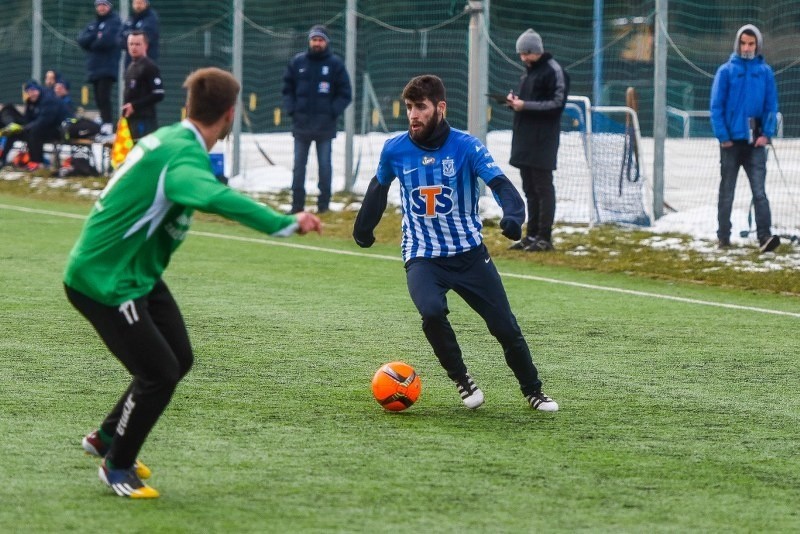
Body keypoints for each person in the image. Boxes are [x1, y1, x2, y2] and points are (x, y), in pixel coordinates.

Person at [64, 67, 322, 499]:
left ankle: (107, 437)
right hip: (104, 281)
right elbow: (216, 197)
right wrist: (284, 222)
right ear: (230, 114)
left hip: (136, 275)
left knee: (178, 358)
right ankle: (117, 466)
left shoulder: (172, 139)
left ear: (188, 107)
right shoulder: (182, 157)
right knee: (159, 373)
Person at [353, 74, 558, 413]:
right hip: (422, 256)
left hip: (469, 255)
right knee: (432, 311)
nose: (413, 115)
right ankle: (462, 379)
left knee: (505, 327)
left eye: (421, 107)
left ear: (441, 107)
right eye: (409, 108)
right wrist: (364, 228)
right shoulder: (395, 149)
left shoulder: (467, 146)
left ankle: (533, 391)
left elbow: (502, 186)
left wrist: (512, 216)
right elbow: (378, 190)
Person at [710, 24, 780, 253]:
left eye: (751, 43)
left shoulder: (765, 72)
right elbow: (716, 106)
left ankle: (765, 238)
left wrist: (766, 134)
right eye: (744, 43)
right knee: (727, 191)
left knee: (759, 192)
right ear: (738, 44)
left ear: (758, 45)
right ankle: (723, 237)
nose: (747, 47)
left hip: (755, 144)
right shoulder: (726, 71)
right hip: (731, 143)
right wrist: (723, 136)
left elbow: (771, 106)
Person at [506, 28, 569, 253]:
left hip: (543, 140)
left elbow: (557, 104)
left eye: (526, 54)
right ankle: (531, 234)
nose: (523, 58)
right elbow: (527, 101)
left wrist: (525, 106)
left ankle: (545, 237)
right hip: (525, 138)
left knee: (543, 187)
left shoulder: (554, 71)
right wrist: (514, 102)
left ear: (536, 51)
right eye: (521, 54)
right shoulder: (528, 73)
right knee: (529, 188)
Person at [282, 24, 352, 214]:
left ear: (326, 42)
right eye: (314, 39)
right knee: (298, 167)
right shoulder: (298, 62)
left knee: (325, 167)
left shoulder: (335, 65)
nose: (317, 43)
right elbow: (287, 89)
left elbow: (345, 94)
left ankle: (323, 206)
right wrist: (292, 110)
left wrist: (331, 112)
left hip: (325, 127)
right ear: (309, 41)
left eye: (320, 40)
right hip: (301, 125)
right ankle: (297, 206)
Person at [0, 80, 69, 170]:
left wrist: (24, 127)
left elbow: (44, 121)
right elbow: (27, 119)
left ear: (38, 90)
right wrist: (18, 126)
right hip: (34, 128)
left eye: (33, 90)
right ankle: (2, 159)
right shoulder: (31, 102)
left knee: (34, 131)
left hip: (53, 130)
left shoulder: (48, 101)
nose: (31, 93)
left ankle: (37, 162)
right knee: (9, 111)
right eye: (28, 91)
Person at [78, 0, 122, 136]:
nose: (101, 8)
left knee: (104, 96)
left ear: (109, 6)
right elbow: (81, 40)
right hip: (94, 67)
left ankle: (108, 123)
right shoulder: (94, 23)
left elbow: (106, 41)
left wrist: (92, 42)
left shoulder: (114, 21)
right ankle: (103, 120)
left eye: (104, 5)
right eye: (99, 5)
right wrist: (95, 36)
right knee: (97, 97)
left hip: (107, 66)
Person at [122, 30, 164, 140]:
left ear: (146, 46)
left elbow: (159, 94)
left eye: (137, 44)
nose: (134, 47)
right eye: (131, 44)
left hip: (145, 120)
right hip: (130, 120)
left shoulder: (150, 66)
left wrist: (135, 105)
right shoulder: (130, 67)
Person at [119, 0, 159, 67]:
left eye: (140, 3)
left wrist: (128, 36)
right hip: (130, 63)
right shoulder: (131, 18)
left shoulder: (151, 19)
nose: (137, 6)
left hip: (146, 63)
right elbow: (119, 38)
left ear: (146, 4)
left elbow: (144, 38)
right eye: (135, 3)